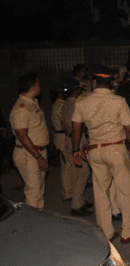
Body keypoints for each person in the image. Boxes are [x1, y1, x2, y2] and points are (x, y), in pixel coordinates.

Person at [72, 67, 130, 243]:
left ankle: (107, 231)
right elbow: (128, 127)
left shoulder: (82, 101)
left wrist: (76, 150)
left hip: (94, 149)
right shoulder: (118, 101)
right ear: (112, 83)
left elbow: (76, 128)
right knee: (124, 190)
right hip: (115, 148)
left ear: (94, 83)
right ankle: (128, 231)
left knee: (100, 192)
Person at [10, 73, 50, 209]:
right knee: (33, 191)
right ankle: (34, 224)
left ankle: (40, 217)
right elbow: (22, 136)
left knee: (39, 189)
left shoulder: (32, 104)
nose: (40, 87)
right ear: (33, 87)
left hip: (36, 152)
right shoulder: (21, 109)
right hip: (29, 154)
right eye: (38, 84)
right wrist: (38, 156)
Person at [52, 77, 91, 215]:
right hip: (76, 140)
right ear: (75, 91)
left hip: (70, 138)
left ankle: (79, 200)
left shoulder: (65, 104)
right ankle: (76, 203)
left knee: (76, 171)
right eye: (79, 89)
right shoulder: (74, 105)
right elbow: (77, 126)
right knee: (83, 171)